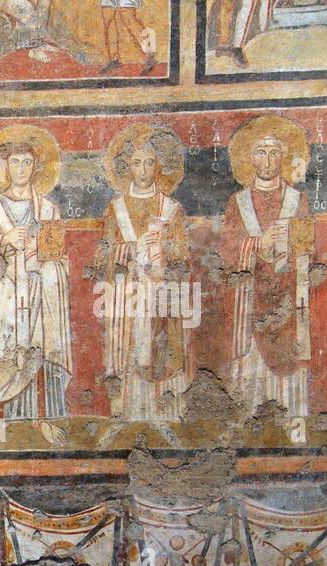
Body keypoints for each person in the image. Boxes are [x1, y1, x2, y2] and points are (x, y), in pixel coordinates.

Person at [0, 125, 71, 449]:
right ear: (6, 167)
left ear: (35, 168)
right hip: (6, 289)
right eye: (14, 163)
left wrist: (40, 254)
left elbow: (58, 257)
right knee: (6, 352)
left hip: (38, 290)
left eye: (26, 163)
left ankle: (41, 418)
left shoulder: (48, 209)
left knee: (38, 351)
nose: (20, 169)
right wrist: (3, 239)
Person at [94, 124, 191, 446]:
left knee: (160, 347)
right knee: (122, 351)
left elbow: (183, 254)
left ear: (159, 166)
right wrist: (123, 253)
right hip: (124, 293)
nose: (144, 170)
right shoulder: (115, 209)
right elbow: (103, 253)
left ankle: (162, 416)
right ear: (126, 167)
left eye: (150, 162)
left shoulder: (171, 208)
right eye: (137, 163)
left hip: (160, 291)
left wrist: (164, 252)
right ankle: (120, 416)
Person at [220, 117, 314, 444]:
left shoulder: (297, 200)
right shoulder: (238, 202)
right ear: (251, 159)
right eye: (261, 152)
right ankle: (250, 424)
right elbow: (228, 250)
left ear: (283, 158)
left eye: (275, 153)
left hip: (286, 295)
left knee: (289, 357)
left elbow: (307, 249)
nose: (268, 160)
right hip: (251, 297)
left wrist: (288, 247)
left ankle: (292, 426)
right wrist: (258, 244)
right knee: (251, 364)